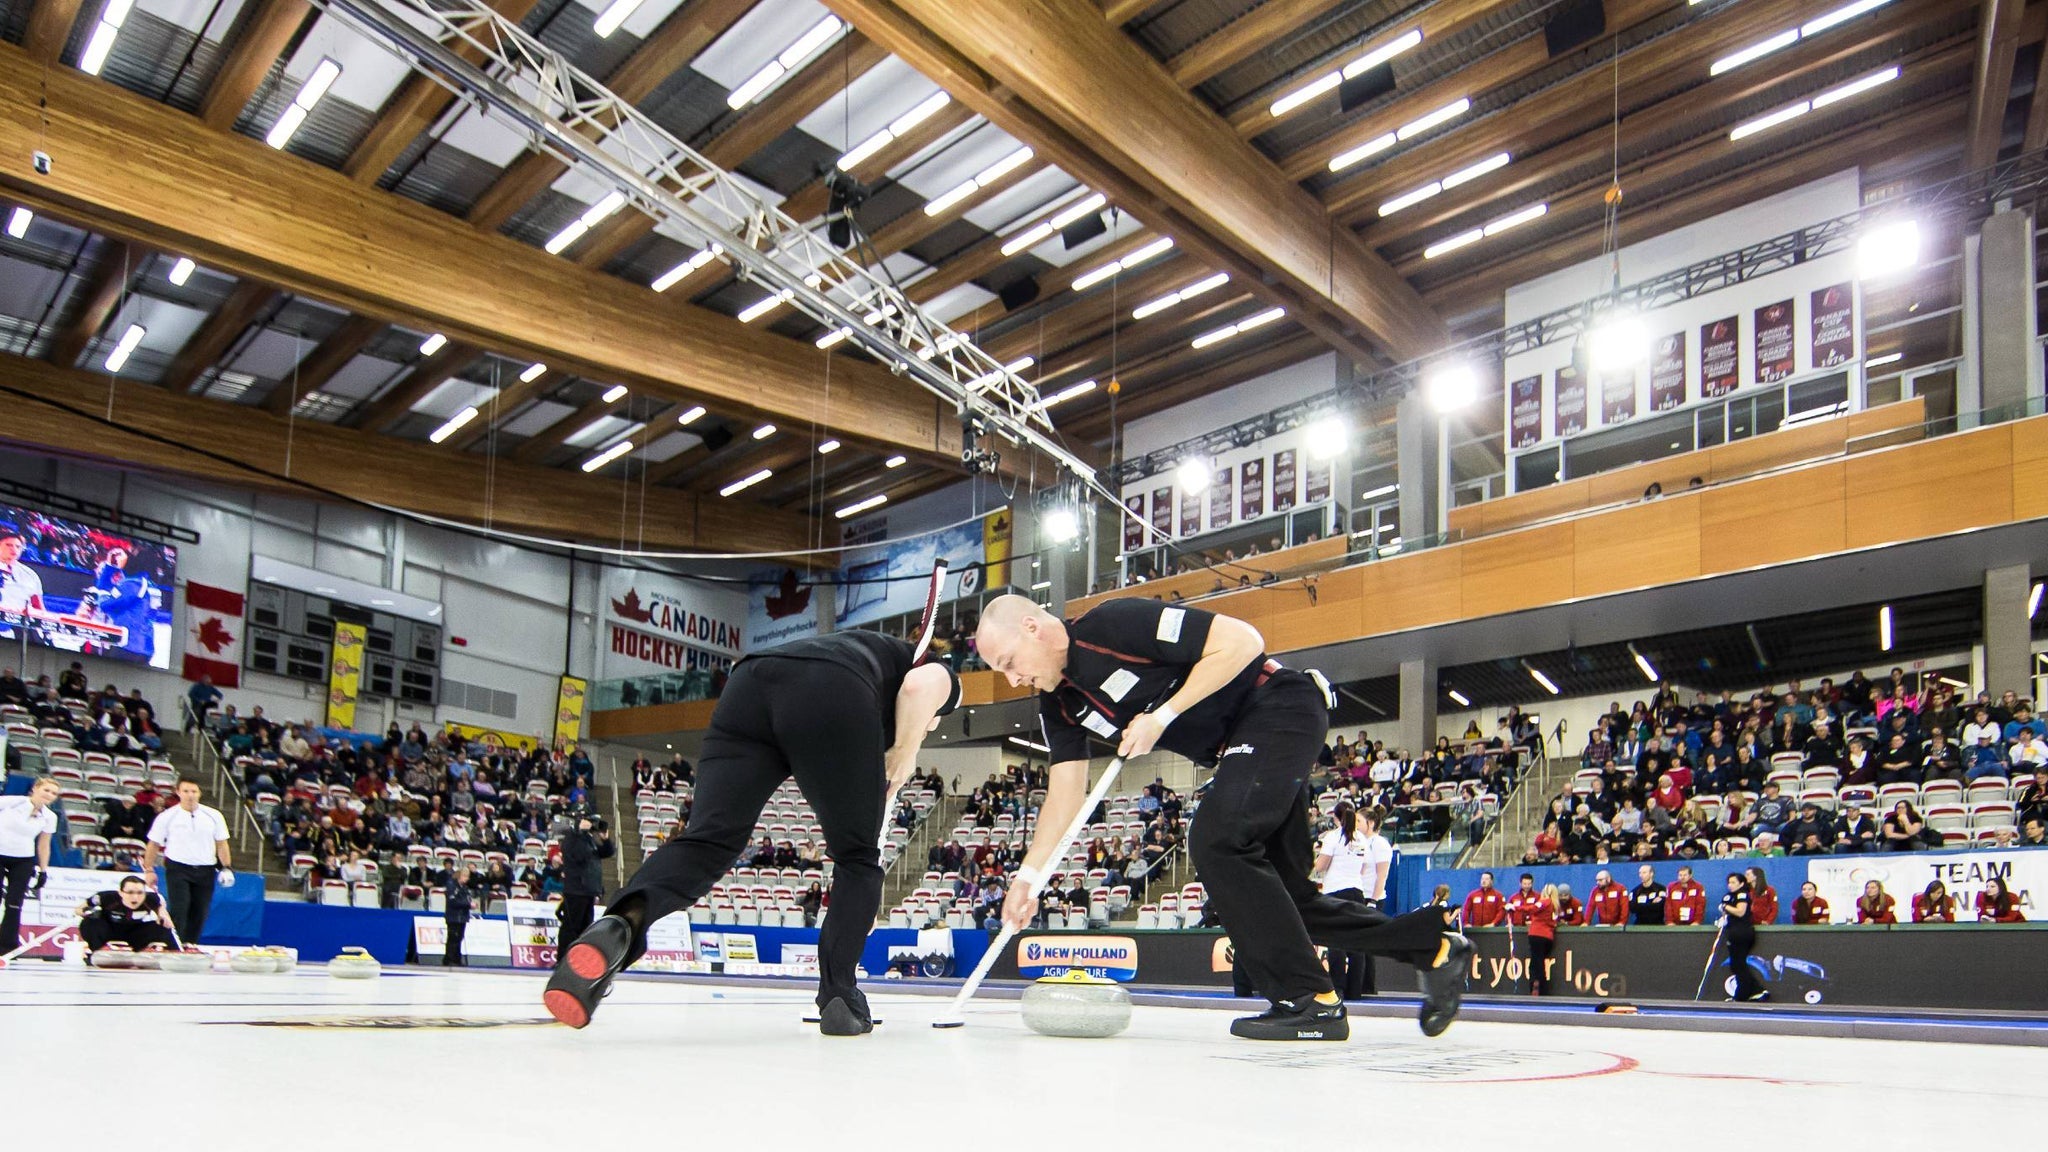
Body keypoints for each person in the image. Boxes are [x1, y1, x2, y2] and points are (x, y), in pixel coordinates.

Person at [973, 594, 1470, 1041]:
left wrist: (1163, 716)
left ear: (1033, 627)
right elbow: (1064, 795)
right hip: (1241, 747)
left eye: (1010, 662)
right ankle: (1432, 944)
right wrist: (1029, 877)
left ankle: (1312, 1000)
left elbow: (1242, 641)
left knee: (1214, 839)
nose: (1013, 678)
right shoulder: (1058, 705)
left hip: (1278, 705)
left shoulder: (1112, 626)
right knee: (1287, 900)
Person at [545, 628, 963, 1036]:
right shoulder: (933, 666)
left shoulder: (864, 645)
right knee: (857, 858)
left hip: (748, 685)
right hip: (831, 688)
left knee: (708, 840)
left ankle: (620, 922)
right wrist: (907, 751)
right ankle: (840, 996)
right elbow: (919, 689)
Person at [1312, 802, 1391, 999]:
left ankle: (1338, 987)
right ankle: (1355, 989)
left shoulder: (1333, 837)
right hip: (1356, 890)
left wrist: (1313, 861)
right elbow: (1363, 868)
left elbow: (1321, 865)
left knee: (1336, 941)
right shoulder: (1360, 838)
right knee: (1355, 942)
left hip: (1335, 891)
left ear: (1336, 818)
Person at [141, 778, 233, 945]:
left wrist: (226, 867)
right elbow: (153, 844)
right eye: (186, 791)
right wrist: (149, 869)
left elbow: (222, 843)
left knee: (200, 911)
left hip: (205, 869)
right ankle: (175, 945)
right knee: (179, 908)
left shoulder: (213, 815)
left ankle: (191, 944)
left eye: (194, 791)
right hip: (178, 868)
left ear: (199, 793)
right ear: (178, 792)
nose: (190, 795)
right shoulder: (167, 817)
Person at [0, 776, 60, 950]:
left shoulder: (50, 817)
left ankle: (7, 946)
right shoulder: (12, 802)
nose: (49, 795)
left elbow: (43, 844)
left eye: (54, 793)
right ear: (36, 788)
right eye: (46, 790)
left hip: (23, 859)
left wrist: (43, 870)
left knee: (14, 903)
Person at [75, 875, 178, 955]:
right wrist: (87, 912)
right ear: (121, 893)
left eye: (140, 893)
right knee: (90, 923)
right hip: (109, 932)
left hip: (135, 934)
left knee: (162, 927)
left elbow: (163, 914)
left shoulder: (151, 899)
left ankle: (175, 953)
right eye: (130, 892)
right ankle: (97, 952)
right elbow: (78, 909)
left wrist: (164, 918)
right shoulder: (106, 897)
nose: (135, 897)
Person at [554, 816, 614, 951]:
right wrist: (580, 832)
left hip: (589, 889)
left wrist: (605, 840)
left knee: (586, 927)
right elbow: (579, 855)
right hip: (576, 889)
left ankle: (579, 956)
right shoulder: (571, 839)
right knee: (571, 926)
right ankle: (564, 958)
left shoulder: (588, 839)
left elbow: (606, 853)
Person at [1720, 873, 1765, 1002]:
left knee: (1738, 965)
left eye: (1734, 882)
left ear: (1741, 883)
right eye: (1729, 882)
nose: (1730, 885)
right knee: (1736, 965)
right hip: (1732, 931)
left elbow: (1740, 912)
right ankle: (1757, 990)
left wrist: (1725, 907)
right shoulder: (1728, 896)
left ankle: (1741, 996)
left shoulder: (1743, 895)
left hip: (1742, 932)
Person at [441, 865, 481, 967]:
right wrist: (468, 905)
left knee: (459, 938)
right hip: (453, 916)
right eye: (465, 876)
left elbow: (466, 899)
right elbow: (452, 901)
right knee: (452, 938)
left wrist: (471, 904)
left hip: (462, 916)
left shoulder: (465, 887)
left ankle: (457, 959)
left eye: (467, 877)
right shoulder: (451, 885)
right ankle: (448, 959)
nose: (466, 879)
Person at [1525, 884, 1560, 996]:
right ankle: (1539, 986)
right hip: (1548, 937)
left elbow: (1532, 909)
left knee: (1536, 964)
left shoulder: (1545, 902)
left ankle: (1538, 987)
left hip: (1537, 935)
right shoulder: (1555, 906)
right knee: (1538, 962)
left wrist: (1514, 908)